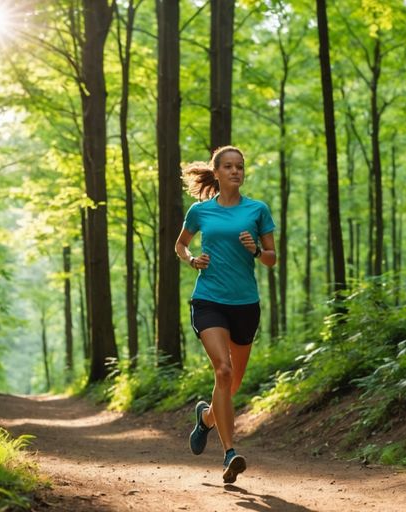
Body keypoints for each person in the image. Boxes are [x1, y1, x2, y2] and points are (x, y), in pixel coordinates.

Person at [174, 145, 277, 484]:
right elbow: (181, 244)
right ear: (216, 173)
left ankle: (205, 418)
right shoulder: (200, 212)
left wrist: (257, 250)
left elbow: (272, 258)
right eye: (229, 167)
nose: (236, 172)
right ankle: (230, 453)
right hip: (209, 300)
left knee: (232, 385)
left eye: (240, 167)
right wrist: (191, 260)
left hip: (245, 304)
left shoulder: (257, 210)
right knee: (223, 369)